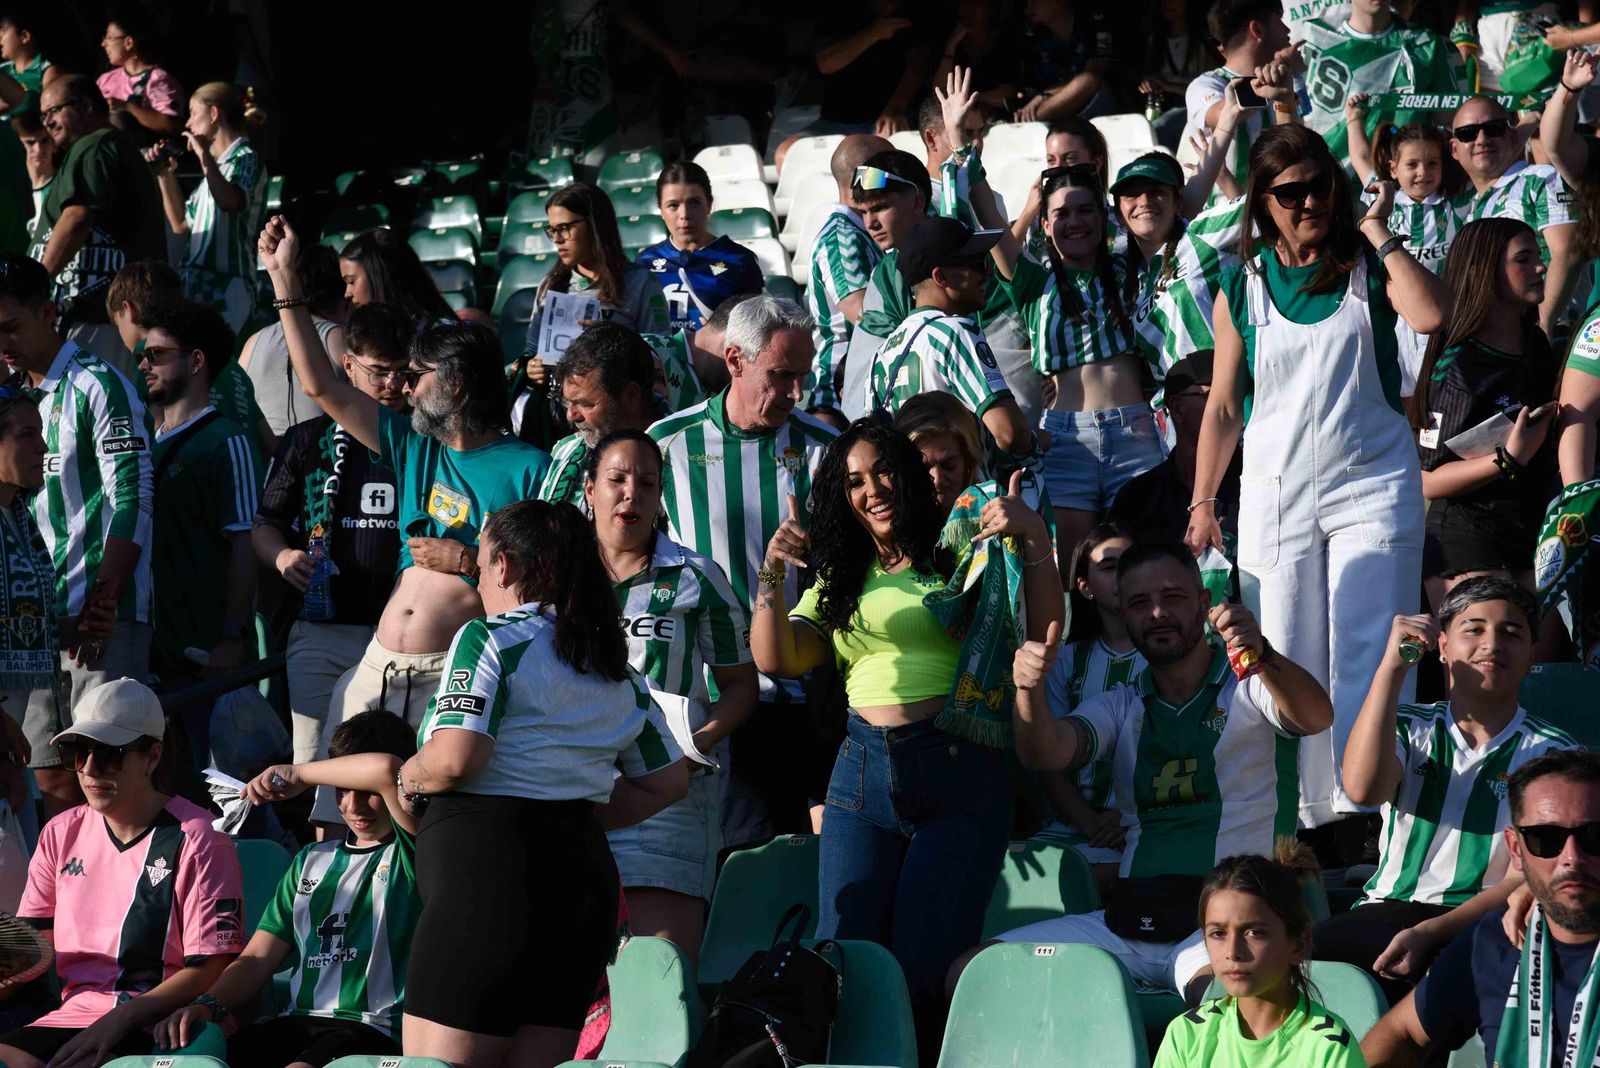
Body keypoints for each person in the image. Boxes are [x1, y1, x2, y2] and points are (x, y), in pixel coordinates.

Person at [751, 420, 1063, 1046]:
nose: (873, 490)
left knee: (923, 970)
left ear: (908, 473)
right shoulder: (840, 576)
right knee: (846, 963)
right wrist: (772, 571)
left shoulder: (959, 550)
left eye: (883, 471)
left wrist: (1030, 534)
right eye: (855, 482)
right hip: (859, 774)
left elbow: (1043, 626)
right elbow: (776, 657)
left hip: (957, 769)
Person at [1187, 124, 1447, 832]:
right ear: (1262, 203)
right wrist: (1204, 499)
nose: (1309, 202)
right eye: (1290, 192)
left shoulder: (1369, 262)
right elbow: (1222, 406)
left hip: (1373, 486)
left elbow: (1431, 314)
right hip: (1276, 492)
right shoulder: (1239, 283)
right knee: (1281, 651)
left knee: (1371, 644)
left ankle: (1370, 812)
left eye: (1320, 185)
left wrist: (1375, 226)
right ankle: (1299, 824)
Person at [259, 215, 551, 822]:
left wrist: (467, 560)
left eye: (418, 377)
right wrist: (284, 280)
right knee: (337, 820)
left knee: (425, 822)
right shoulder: (415, 445)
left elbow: (542, 594)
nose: (405, 390)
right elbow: (319, 385)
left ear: (459, 384)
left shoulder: (530, 468)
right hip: (378, 665)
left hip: (455, 678)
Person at [397, 499, 689, 1068]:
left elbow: (456, 758)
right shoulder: (616, 667)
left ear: (504, 565)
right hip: (579, 885)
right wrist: (565, 809)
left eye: (481, 564)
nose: (479, 580)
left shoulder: (490, 638)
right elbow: (668, 782)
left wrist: (407, 777)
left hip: (487, 881)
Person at [985, 541, 1334, 1002]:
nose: (1156, 613)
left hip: (1228, 928)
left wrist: (1263, 654)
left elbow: (1316, 716)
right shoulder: (1122, 703)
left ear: (1204, 603)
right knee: (977, 973)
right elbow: (1044, 753)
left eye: (1172, 597)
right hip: (1129, 923)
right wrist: (1028, 691)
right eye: (1139, 603)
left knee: (1225, 1004)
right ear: (1125, 617)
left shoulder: (1252, 687)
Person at [1318, 578, 1573, 1004]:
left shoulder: (1554, 753)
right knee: (1289, 966)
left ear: (1532, 654)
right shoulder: (1408, 726)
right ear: (1442, 646)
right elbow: (1362, 790)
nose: (1492, 643)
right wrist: (1392, 668)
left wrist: (1431, 932)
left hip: (1486, 917)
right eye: (1474, 629)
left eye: (1511, 633)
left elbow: (1527, 877)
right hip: (1386, 910)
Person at [649, 294, 839, 848]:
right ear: (735, 360)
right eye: (781, 375)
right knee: (725, 863)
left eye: (803, 377)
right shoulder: (667, 446)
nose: (796, 393)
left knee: (803, 863)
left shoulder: (827, 450)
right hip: (708, 699)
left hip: (806, 697)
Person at [156, 711, 422, 1068]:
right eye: (343, 790)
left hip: (373, 1030)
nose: (353, 806)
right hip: (297, 1023)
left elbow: (387, 770)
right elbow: (257, 958)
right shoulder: (310, 859)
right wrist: (208, 1004)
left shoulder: (415, 850)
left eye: (368, 792)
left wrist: (300, 774)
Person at [1, 678, 243, 1068]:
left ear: (152, 757)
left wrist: (120, 1019)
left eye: (109, 755)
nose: (89, 769)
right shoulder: (59, 832)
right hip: (72, 1017)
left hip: (163, 1022)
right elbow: (33, 950)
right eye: (77, 752)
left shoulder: (200, 838)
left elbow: (212, 966)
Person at [588, 429, 756, 967]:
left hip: (667, 793)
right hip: (574, 785)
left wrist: (698, 744)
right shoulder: (555, 576)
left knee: (658, 967)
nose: (630, 494)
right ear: (589, 489)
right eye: (616, 479)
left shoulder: (696, 576)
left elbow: (740, 684)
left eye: (647, 483)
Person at [0, 254, 150, 813]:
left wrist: (103, 600)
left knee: (107, 775)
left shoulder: (100, 384)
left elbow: (134, 498)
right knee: (46, 779)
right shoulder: (11, 396)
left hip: (103, 615)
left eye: (12, 327)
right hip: (33, 623)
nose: (3, 343)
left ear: (48, 313)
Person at [1359, 748, 1600, 1066]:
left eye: (1594, 836)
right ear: (1515, 849)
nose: (1572, 857)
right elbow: (1401, 1032)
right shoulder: (1492, 940)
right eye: (1546, 838)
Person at [253, 305, 410, 763]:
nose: (392, 385)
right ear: (348, 365)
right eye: (378, 372)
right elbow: (265, 524)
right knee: (316, 764)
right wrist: (283, 557)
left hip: (405, 635)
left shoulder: (423, 439)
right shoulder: (306, 439)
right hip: (324, 631)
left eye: (403, 372)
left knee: (397, 766)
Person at [990, 166, 1158, 565]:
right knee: (1071, 572)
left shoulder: (1132, 266)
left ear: (1103, 217)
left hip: (1135, 435)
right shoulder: (1034, 281)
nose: (1075, 221)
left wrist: (1225, 137)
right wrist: (964, 146)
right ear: (1046, 225)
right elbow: (991, 225)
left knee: (1144, 566)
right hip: (1065, 441)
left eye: (1085, 210)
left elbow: (1178, 213)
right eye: (1061, 214)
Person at [1405, 219, 1556, 608]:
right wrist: (1508, 459)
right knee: (1491, 642)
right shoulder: (1459, 367)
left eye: (1538, 256)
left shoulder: (1536, 344)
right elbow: (1426, 480)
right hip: (1467, 536)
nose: (1541, 267)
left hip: (1532, 527)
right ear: (1483, 271)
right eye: (1523, 259)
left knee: (1536, 646)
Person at [141, 300, 260, 698]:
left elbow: (246, 544)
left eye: (156, 355)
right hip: (152, 652)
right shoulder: (146, 444)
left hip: (205, 657)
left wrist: (231, 637)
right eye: (143, 355)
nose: (144, 365)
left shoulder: (228, 440)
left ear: (195, 361)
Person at [1153, 852, 1364, 1067]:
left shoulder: (1328, 1048)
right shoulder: (1186, 1034)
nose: (1233, 951)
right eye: (1218, 933)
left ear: (1298, 945)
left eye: (1254, 933)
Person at [863, 217, 1038, 464]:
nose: (988, 271)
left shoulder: (880, 354)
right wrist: (1038, 439)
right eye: (976, 263)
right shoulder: (954, 331)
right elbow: (1010, 435)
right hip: (963, 487)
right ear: (941, 278)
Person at [32, 75, 162, 378]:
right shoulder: (103, 146)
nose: (47, 122)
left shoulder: (96, 144)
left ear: (86, 106)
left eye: (54, 111)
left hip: (97, 319)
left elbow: (78, 217)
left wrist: (34, 286)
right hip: (104, 318)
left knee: (92, 401)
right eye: (43, 115)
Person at [1036, 522, 1141, 891]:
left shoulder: (1172, 655)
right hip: (1078, 827)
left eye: (1131, 563)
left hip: (1150, 826)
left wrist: (1131, 820)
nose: (1123, 574)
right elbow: (1048, 759)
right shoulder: (1066, 660)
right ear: (1084, 587)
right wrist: (1090, 823)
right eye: (1110, 566)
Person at [0, 374, 78, 844]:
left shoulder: (19, 518)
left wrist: (77, 628)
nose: (42, 447)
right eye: (27, 435)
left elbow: (17, 626)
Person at [1448, 95, 1578, 337]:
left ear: (1512, 135)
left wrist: (1543, 325)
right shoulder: (1472, 210)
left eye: (1494, 129)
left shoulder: (1540, 178)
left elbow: (1568, 250)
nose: (1482, 139)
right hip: (1505, 338)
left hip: (1554, 333)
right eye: (1468, 133)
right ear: (1454, 149)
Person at [1112, 150, 1246, 377]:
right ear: (1118, 215)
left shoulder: (1202, 233)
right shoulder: (1127, 281)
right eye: (1132, 195)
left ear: (1178, 202)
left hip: (1230, 388)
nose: (1144, 202)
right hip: (1171, 397)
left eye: (1157, 192)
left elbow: (1265, 205)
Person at [147, 82, 267, 331]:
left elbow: (229, 201)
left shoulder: (246, 158)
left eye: (193, 113)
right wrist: (164, 174)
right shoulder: (213, 171)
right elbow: (180, 224)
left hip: (229, 286)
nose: (188, 123)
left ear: (214, 113)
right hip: (195, 284)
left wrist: (204, 156)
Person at [1297, 0, 1459, 170]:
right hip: (1333, 175)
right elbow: (1301, 117)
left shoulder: (1425, 44)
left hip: (1407, 178)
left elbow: (1447, 124)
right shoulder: (1317, 39)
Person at [1110, 352, 1242, 549]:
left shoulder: (1256, 479)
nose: (1228, 405)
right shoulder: (1138, 497)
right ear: (1177, 408)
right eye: (1212, 396)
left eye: (1235, 395)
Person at [806, 133, 892, 409]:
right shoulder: (841, 239)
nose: (896, 179)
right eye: (889, 170)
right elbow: (865, 317)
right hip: (842, 398)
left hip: (862, 383)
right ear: (866, 177)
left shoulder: (861, 232)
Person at [537, 322, 658, 509]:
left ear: (631, 396)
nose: (571, 415)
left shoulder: (683, 455)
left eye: (586, 404)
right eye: (567, 402)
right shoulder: (565, 452)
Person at [633, 161, 763, 333]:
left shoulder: (739, 260)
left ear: (709, 204)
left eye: (694, 203)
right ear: (660, 210)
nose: (684, 215)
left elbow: (758, 331)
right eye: (673, 205)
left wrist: (722, 333)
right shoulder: (645, 263)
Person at [1182, 0, 1292, 200]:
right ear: (1257, 29)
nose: (1287, 29)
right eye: (1279, 21)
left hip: (1276, 207)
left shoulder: (1285, 81)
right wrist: (1266, 86)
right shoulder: (1206, 84)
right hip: (1224, 214)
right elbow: (1221, 114)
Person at [239, 243, 351, 438]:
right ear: (344, 296)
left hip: (263, 454)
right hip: (320, 453)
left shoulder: (252, 342)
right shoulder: (339, 339)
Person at [812, 1, 935, 137]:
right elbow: (825, 63)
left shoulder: (914, 12)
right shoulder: (838, 11)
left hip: (887, 116)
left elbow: (917, 67)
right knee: (792, 146)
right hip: (834, 120)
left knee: (884, 141)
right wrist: (873, 33)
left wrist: (895, 109)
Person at [1015, 0, 1116, 121]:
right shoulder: (1032, 38)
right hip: (1054, 120)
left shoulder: (1095, 22)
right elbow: (1031, 94)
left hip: (1101, 112)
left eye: (1033, 1)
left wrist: (1045, 97)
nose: (1027, 10)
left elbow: (1093, 75)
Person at [336, 229, 454, 329]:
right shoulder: (362, 335)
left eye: (351, 281)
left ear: (380, 277)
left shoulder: (440, 334)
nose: (347, 294)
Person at [95, 10, 183, 142]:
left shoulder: (157, 79)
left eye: (109, 38)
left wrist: (127, 107)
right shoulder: (105, 80)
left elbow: (173, 126)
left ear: (128, 42)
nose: (104, 44)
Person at [893, 389, 982, 518]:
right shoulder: (884, 524)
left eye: (949, 464)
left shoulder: (998, 515)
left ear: (968, 459)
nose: (938, 480)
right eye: (923, 469)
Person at [931, 0, 1023, 114]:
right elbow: (939, 94)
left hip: (995, 116)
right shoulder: (951, 41)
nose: (969, 9)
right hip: (956, 115)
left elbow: (1006, 95)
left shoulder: (1005, 43)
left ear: (991, 9)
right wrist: (951, 46)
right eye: (964, 3)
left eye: (976, 3)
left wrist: (970, 98)